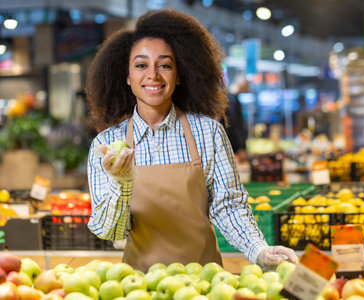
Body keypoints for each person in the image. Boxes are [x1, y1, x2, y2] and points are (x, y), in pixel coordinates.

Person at [85, 8, 298, 273]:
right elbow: (110, 232)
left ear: (179, 74)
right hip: (139, 285)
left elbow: (228, 205)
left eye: (165, 65)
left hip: (204, 282)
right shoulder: (106, 145)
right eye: (141, 65)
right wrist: (121, 183)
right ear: (127, 77)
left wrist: (259, 250)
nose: (153, 75)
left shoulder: (208, 133)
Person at [222, 73, 250, 162]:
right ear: (242, 84)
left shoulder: (231, 98)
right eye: (246, 87)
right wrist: (239, 147)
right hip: (233, 148)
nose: (247, 90)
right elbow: (234, 125)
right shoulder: (231, 100)